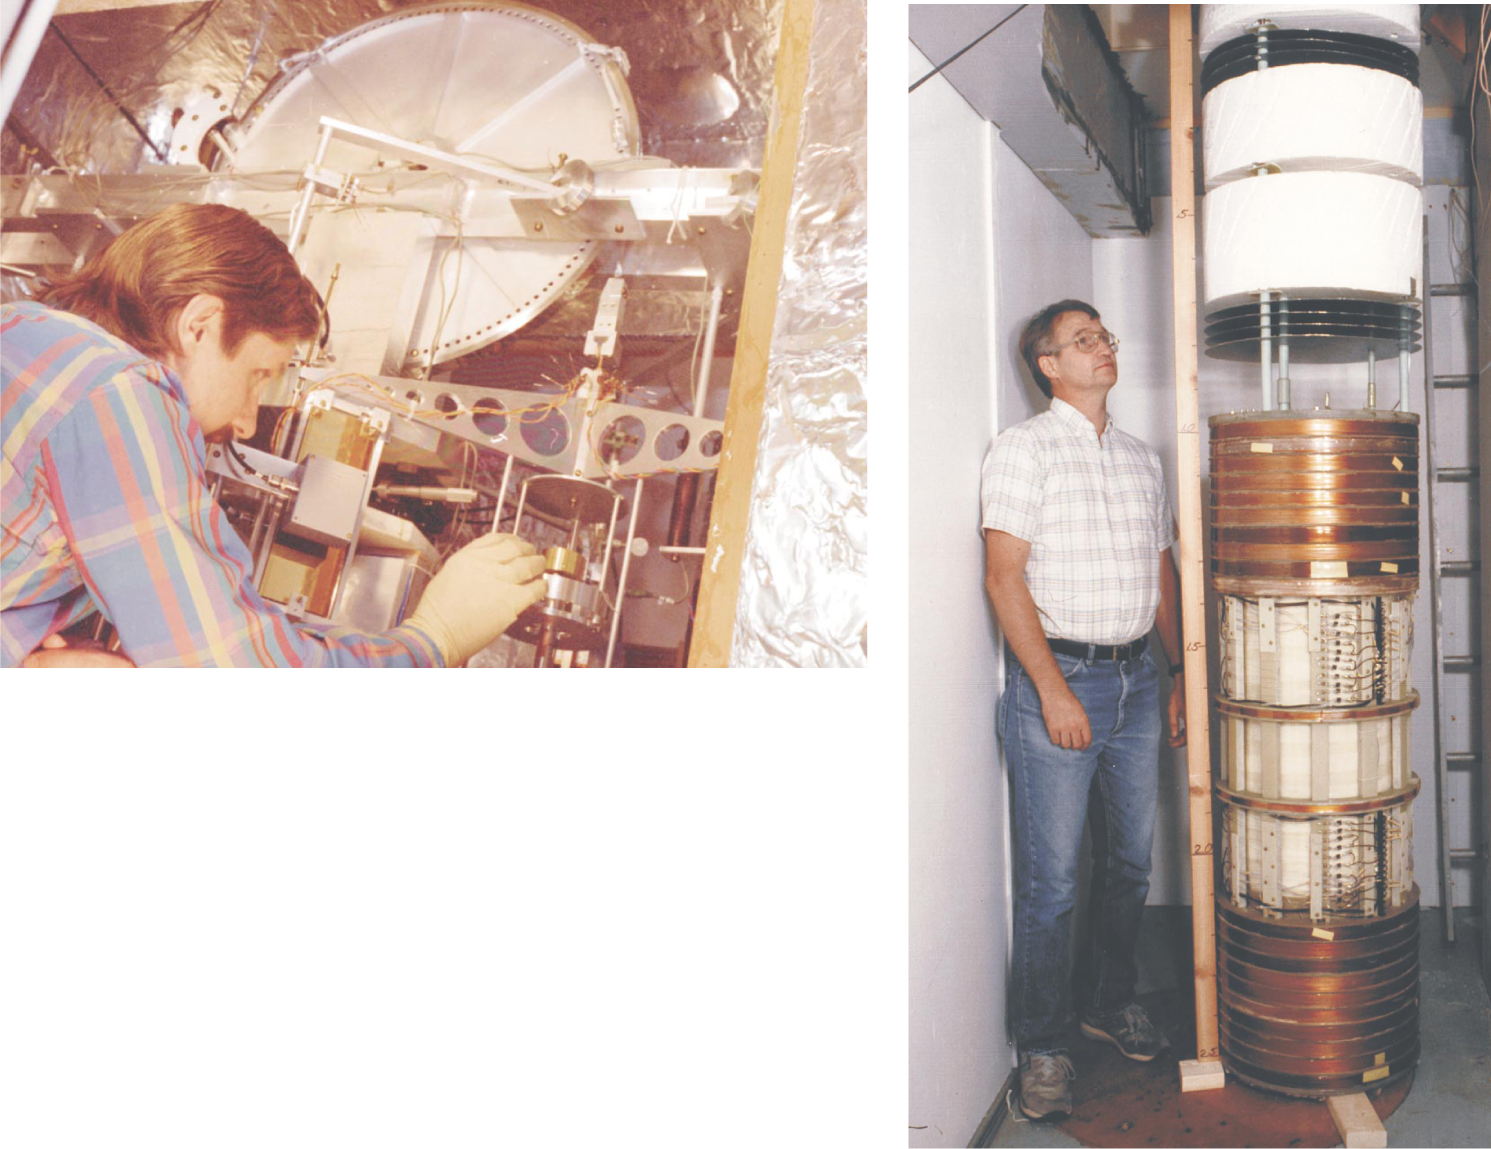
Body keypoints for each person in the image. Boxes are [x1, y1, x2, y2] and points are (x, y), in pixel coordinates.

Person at [2, 203, 544, 667]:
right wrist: (435, 638)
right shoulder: (118, 397)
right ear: (199, 325)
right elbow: (230, 669)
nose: (246, 423)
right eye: (259, 375)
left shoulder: (23, 332)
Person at [980, 300, 1187, 1121]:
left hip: (1136, 680)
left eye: (1104, 335)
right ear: (1047, 365)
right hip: (1060, 682)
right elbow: (1004, 577)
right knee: (1052, 881)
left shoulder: (1141, 459)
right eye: (1082, 340)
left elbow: (1161, 572)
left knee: (1129, 864)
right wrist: (1052, 689)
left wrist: (1175, 671)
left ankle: (1107, 1000)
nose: (1102, 347)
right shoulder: (1022, 450)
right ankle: (1042, 1045)